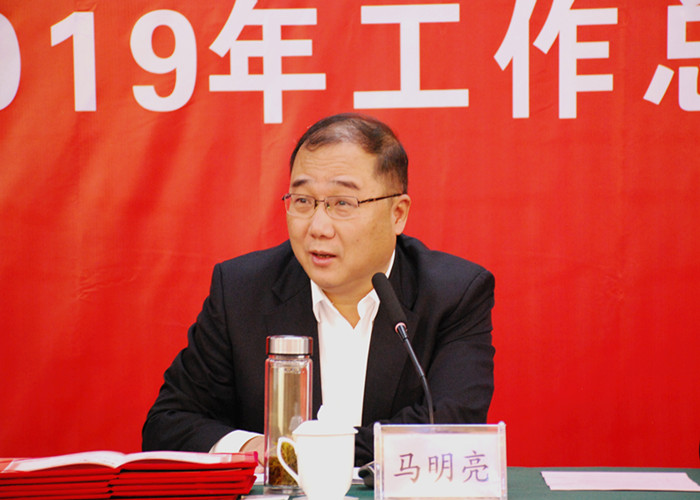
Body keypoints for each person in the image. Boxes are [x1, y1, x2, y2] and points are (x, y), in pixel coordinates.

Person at [142, 113, 495, 467]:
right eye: (303, 201)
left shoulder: (452, 295)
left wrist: (296, 451)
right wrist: (256, 446)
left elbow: (450, 425)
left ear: (397, 213)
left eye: (343, 203)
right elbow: (169, 423)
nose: (318, 227)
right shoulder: (241, 292)